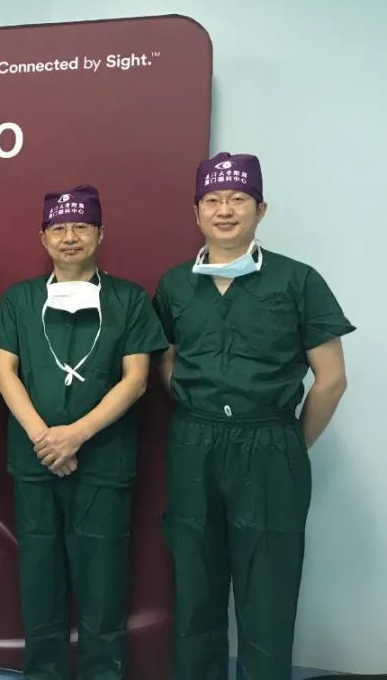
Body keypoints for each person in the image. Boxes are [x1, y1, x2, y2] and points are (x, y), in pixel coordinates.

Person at [154, 153, 353, 680]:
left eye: (238, 199)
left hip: (269, 443)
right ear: (196, 211)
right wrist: (194, 404)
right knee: (194, 583)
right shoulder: (175, 285)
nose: (225, 210)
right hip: (194, 442)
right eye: (213, 200)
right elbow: (165, 359)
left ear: (261, 209)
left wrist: (289, 442)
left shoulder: (297, 280)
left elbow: (331, 378)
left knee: (268, 589)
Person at [0, 185, 168, 680]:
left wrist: (76, 435)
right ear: (43, 238)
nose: (69, 237)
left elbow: (136, 379)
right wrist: (45, 439)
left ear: (99, 234)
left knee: (103, 583)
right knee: (39, 580)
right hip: (36, 463)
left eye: (81, 227)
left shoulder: (128, 299)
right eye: (59, 228)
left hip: (103, 463)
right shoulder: (20, 299)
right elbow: (5, 372)